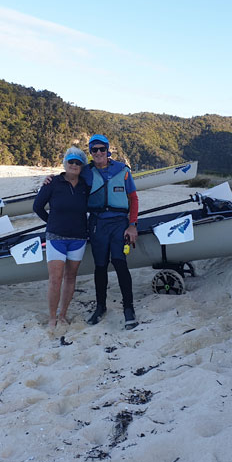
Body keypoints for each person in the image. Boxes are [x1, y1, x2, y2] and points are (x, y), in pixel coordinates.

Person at [83, 134, 139, 330]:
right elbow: (67, 180)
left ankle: (129, 308)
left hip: (119, 224)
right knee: (100, 266)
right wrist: (50, 180)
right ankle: (100, 307)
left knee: (119, 263)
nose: (98, 153)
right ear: (90, 152)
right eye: (94, 150)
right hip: (98, 224)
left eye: (101, 149)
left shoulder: (122, 171)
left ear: (108, 150)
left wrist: (132, 225)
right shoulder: (86, 172)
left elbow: (133, 199)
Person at [32, 146, 90, 330]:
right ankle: (52, 318)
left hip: (78, 238)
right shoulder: (53, 183)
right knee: (55, 279)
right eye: (70, 162)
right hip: (56, 237)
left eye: (78, 162)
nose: (74, 165)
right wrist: (51, 223)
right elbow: (37, 207)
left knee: (70, 277)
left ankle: (63, 314)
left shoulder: (85, 185)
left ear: (82, 166)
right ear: (65, 163)